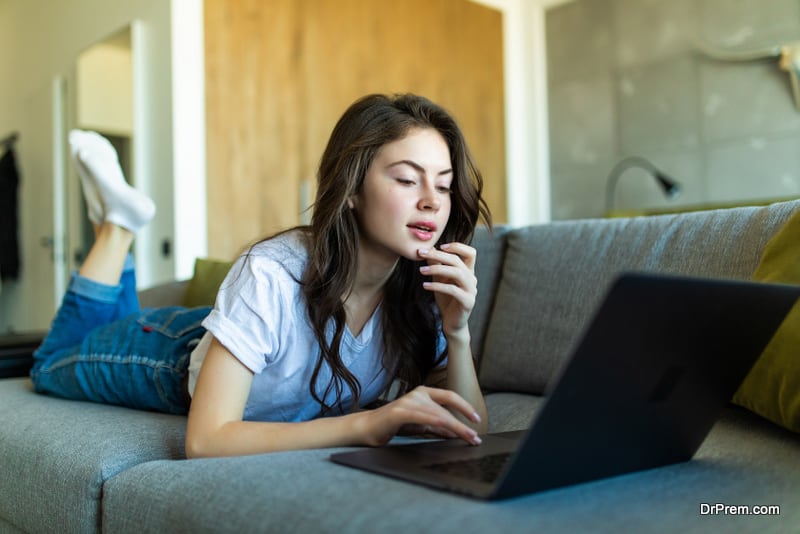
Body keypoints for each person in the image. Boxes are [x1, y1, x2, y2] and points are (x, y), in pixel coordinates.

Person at [31, 93, 492, 458]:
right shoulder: (273, 272)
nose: (432, 200)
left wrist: (457, 331)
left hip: (249, 340)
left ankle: (114, 223)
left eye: (445, 184)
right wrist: (366, 425)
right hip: (172, 356)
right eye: (408, 180)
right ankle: (117, 231)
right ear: (351, 189)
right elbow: (206, 441)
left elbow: (470, 431)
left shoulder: (422, 287)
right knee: (49, 365)